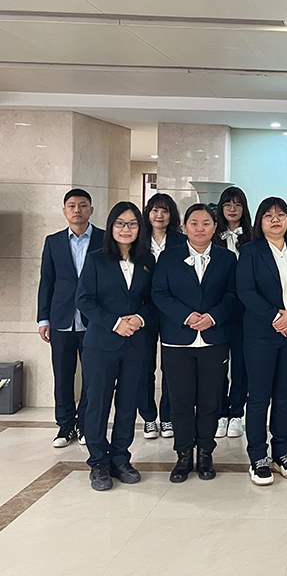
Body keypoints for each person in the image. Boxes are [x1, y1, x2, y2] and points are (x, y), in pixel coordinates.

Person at [151, 204, 237, 483]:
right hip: (178, 340)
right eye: (194, 223)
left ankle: (206, 454)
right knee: (181, 401)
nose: (200, 228)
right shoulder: (169, 257)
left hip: (214, 339)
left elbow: (233, 294)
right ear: (184, 226)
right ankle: (184, 455)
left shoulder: (227, 258)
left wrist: (213, 317)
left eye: (206, 223)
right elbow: (159, 293)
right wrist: (186, 316)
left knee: (211, 401)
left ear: (215, 227)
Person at [237, 197, 287, 486]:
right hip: (261, 335)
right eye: (268, 215)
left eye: (281, 215)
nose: (275, 220)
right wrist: (275, 316)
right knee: (259, 397)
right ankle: (258, 456)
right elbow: (245, 290)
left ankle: (282, 452)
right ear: (260, 221)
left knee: (285, 396)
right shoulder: (250, 251)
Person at [76, 202, 154, 491]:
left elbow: (153, 299)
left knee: (128, 403)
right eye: (120, 223)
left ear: (140, 228)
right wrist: (115, 322)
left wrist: (139, 319)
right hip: (101, 344)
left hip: (136, 343)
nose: (126, 229)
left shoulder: (147, 260)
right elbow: (84, 300)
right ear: (111, 227)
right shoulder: (96, 259)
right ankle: (98, 461)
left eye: (132, 224)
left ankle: (121, 457)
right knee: (97, 404)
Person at [37, 188, 104, 448]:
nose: (77, 210)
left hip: (93, 320)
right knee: (63, 376)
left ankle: (85, 425)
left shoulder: (104, 239)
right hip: (61, 319)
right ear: (64, 210)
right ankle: (65, 426)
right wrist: (43, 319)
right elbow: (47, 281)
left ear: (91, 210)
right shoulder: (53, 241)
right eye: (72, 205)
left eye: (83, 205)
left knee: (92, 377)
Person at [138, 193, 186, 441]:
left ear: (172, 215)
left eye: (165, 211)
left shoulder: (181, 241)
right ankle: (148, 417)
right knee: (144, 367)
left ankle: (167, 416)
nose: (159, 215)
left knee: (171, 367)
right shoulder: (138, 240)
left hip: (172, 311)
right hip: (143, 311)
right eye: (155, 210)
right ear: (148, 213)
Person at [212, 186, 253, 439]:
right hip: (216, 308)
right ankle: (220, 412)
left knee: (240, 363)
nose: (232, 209)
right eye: (227, 204)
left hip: (245, 308)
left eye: (237, 204)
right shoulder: (212, 235)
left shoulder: (252, 237)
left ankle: (237, 412)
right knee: (217, 363)